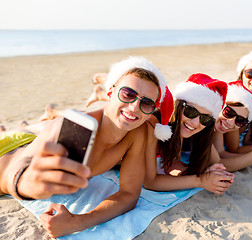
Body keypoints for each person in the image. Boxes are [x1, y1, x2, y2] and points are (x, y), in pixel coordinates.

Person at [0, 56, 170, 238]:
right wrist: (26, 183)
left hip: (27, 139)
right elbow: (13, 171)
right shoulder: (73, 128)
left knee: (29, 131)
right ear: (110, 93)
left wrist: (77, 221)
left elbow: (129, 194)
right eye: (128, 94)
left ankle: (22, 126)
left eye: (147, 104)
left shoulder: (137, 132)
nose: (135, 107)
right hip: (6, 153)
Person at [144, 73, 235, 195]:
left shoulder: (178, 129)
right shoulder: (153, 124)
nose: (195, 122)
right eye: (191, 111)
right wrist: (200, 180)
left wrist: (205, 173)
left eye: (205, 119)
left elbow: (172, 164)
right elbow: (150, 182)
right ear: (178, 105)